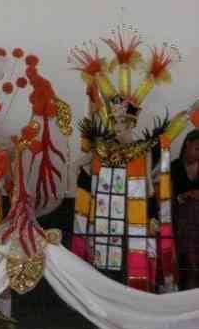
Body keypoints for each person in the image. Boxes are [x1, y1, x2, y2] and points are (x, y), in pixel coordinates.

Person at [70, 25, 198, 292]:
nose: (117, 127)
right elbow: (80, 168)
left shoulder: (142, 150)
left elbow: (150, 186)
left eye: (122, 123)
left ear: (131, 123)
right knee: (104, 270)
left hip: (135, 219)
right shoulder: (103, 148)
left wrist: (152, 213)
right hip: (105, 220)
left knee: (134, 268)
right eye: (114, 122)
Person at [172, 129, 199, 290]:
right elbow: (167, 200)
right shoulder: (174, 168)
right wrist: (184, 196)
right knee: (190, 209)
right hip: (181, 221)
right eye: (198, 149)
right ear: (187, 145)